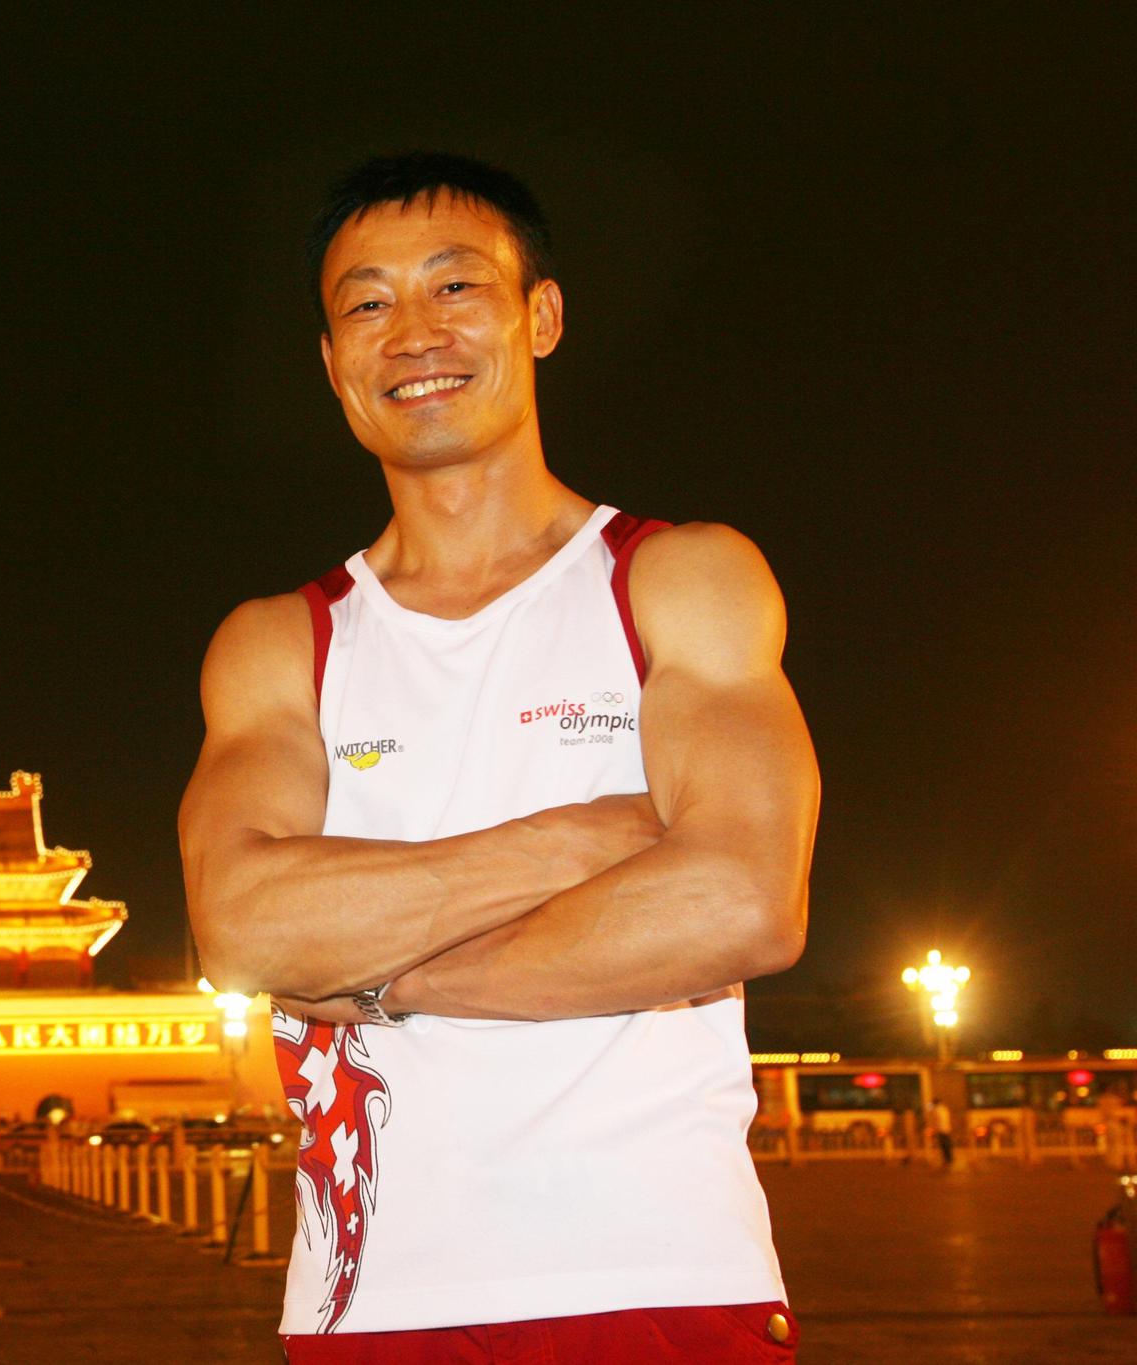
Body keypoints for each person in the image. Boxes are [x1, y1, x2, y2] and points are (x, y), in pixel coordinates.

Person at [179, 154, 819, 1362]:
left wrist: (378, 983)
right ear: (330, 363)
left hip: (657, 1277)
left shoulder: (676, 582)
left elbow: (740, 900)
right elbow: (244, 934)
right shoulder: (277, 647)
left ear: (540, 316)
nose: (410, 331)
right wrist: (576, 839)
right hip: (368, 1305)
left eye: (453, 287)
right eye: (364, 303)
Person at [928, 1098, 955, 1168]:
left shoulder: (936, 1110)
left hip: (940, 1129)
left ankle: (946, 1159)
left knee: (943, 1145)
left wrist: (933, 1129)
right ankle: (950, 1158)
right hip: (947, 1128)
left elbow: (934, 1119)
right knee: (947, 1144)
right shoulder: (944, 1109)